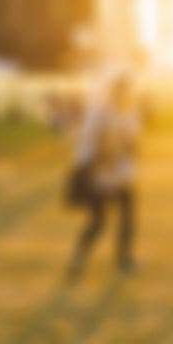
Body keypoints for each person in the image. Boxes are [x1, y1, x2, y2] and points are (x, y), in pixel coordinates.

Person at [66, 71, 141, 281]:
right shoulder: (100, 114)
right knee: (99, 222)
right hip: (97, 174)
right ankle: (79, 260)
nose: (125, 96)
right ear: (114, 93)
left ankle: (123, 259)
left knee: (127, 214)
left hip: (118, 174)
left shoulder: (128, 113)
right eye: (121, 92)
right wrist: (109, 157)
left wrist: (127, 152)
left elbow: (131, 145)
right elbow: (93, 146)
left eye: (127, 92)